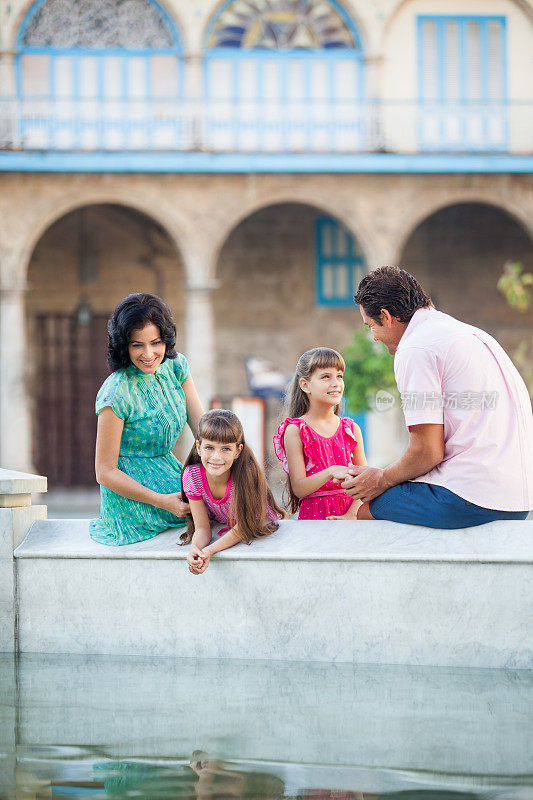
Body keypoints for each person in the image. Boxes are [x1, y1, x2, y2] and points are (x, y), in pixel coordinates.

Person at [342, 266, 533, 527]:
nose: (373, 337)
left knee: (363, 509)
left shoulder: (416, 347)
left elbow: (427, 452)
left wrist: (380, 479)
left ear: (387, 317)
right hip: (519, 500)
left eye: (370, 326)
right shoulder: (472, 334)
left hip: (471, 497)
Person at [90, 293, 204, 545]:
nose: (149, 353)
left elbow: (204, 431)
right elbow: (105, 472)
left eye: (156, 342)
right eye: (137, 345)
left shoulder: (176, 367)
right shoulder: (116, 392)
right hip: (131, 498)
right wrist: (161, 501)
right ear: (123, 345)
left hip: (170, 473)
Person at [180, 409, 285, 573]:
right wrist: (195, 549)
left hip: (255, 528)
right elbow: (202, 528)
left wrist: (210, 550)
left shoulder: (245, 475)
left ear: (238, 450)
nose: (216, 457)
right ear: (198, 447)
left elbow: (244, 527)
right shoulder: (192, 476)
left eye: (226, 449)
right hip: (225, 527)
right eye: (209, 447)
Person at [273, 347, 367, 520]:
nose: (336, 383)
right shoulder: (295, 430)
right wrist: (330, 471)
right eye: (325, 377)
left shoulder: (351, 429)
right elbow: (299, 488)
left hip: (351, 523)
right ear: (305, 385)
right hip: (314, 521)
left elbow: (364, 484)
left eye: (339, 376)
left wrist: (350, 515)